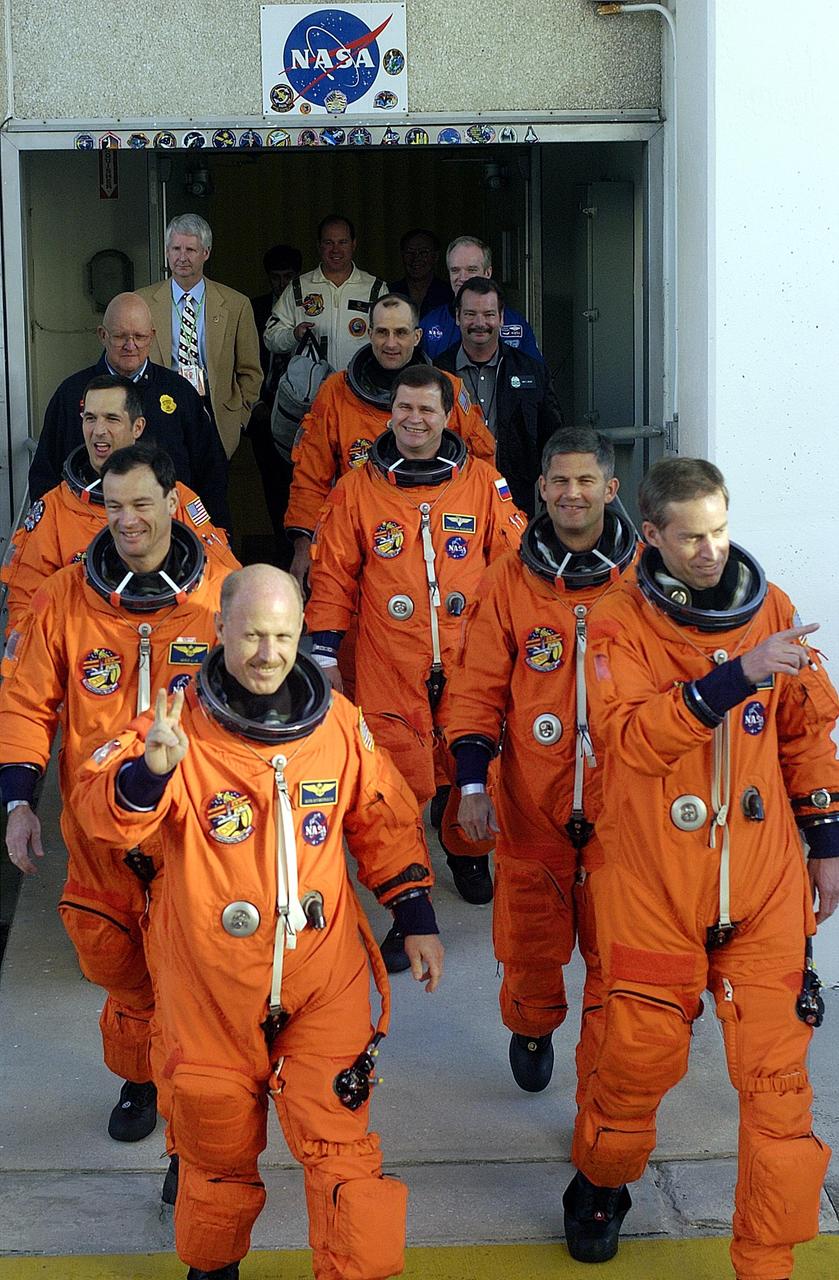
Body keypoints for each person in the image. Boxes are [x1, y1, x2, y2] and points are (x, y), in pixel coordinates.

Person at [72, 564, 444, 1280]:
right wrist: (150, 773)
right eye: (251, 636)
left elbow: (384, 819)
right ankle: (213, 1268)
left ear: (301, 635)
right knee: (215, 1155)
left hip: (320, 979)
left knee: (344, 1157)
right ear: (219, 631)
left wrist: (416, 913)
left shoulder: (337, 722)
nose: (268, 654)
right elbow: (99, 814)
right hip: (210, 985)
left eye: (282, 636)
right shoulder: (172, 726)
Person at [562, 457, 839, 1278]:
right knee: (633, 1067)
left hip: (759, 887)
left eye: (719, 531)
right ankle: (602, 1183)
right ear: (650, 536)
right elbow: (632, 740)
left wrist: (825, 845)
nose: (712, 551)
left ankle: (765, 1263)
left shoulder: (770, 610)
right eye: (691, 538)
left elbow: (806, 734)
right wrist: (736, 675)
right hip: (652, 890)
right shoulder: (615, 621)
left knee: (780, 1091)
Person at [0, 444, 235, 1145]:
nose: (127, 520)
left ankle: (190, 1138)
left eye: (141, 503)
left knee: (195, 980)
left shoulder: (220, 594)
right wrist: (17, 801)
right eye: (114, 506)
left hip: (190, 832)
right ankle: (139, 1077)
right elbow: (25, 702)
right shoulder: (65, 597)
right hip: (100, 831)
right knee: (115, 963)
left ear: (171, 502)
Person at [306, 364, 527, 942]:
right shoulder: (357, 487)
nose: (414, 419)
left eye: (427, 409)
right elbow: (332, 576)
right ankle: (410, 910)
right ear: (391, 412)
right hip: (389, 661)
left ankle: (465, 850)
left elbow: (513, 568)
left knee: (475, 766)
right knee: (394, 789)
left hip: (466, 660)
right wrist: (325, 652)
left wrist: (521, 647)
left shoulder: (482, 482)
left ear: (448, 415)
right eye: (404, 408)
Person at [447, 428, 636, 1097]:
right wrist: (472, 783)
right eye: (558, 481)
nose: (571, 493)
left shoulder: (647, 579)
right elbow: (474, 689)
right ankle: (530, 1026)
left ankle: (610, 1052)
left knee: (621, 943)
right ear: (541, 490)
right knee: (530, 932)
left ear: (610, 490)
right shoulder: (507, 579)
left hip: (625, 802)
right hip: (533, 796)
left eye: (585, 481)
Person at [284, 292, 494, 593]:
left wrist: (478, 541)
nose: (391, 343)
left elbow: (482, 468)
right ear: (369, 334)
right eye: (382, 332)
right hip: (358, 540)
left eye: (401, 333)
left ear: (418, 336)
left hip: (435, 540)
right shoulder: (336, 394)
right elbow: (309, 475)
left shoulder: (448, 390)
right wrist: (303, 545)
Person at [3, 376, 238, 634]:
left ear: (137, 427)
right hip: (86, 657)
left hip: (168, 645)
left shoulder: (175, 498)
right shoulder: (55, 510)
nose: (99, 430)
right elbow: (26, 615)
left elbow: (225, 582)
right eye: (90, 418)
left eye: (111, 419)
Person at [29, 292, 230, 528]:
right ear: (102, 335)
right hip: (84, 534)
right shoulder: (71, 394)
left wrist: (213, 535)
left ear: (152, 336)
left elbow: (211, 473)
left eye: (140, 336)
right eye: (120, 336)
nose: (130, 345)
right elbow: (44, 476)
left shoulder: (180, 393)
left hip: (171, 533)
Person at [138, 214, 262, 458]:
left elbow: (251, 371)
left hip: (214, 414)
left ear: (206, 252)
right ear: (166, 251)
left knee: (212, 492)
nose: (182, 257)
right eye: (176, 248)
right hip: (159, 412)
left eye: (190, 249)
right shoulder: (142, 302)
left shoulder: (236, 304)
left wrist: (240, 418)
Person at [436, 277, 563, 514]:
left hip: (516, 497)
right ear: (457, 317)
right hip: (450, 494)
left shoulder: (531, 371)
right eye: (471, 314)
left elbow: (553, 438)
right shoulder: (437, 372)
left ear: (502, 318)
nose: (480, 323)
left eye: (489, 314)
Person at [264, 214, 386, 372]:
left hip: (359, 386)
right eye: (329, 242)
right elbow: (270, 337)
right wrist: (293, 335)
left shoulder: (375, 288)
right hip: (313, 389)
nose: (336, 249)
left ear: (353, 244)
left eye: (343, 242)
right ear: (319, 245)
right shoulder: (298, 287)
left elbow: (391, 339)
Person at [246, 244, 304, 568]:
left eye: (288, 277)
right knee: (274, 489)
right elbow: (243, 362)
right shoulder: (254, 309)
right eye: (276, 278)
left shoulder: (311, 308)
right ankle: (283, 558)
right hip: (265, 413)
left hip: (305, 417)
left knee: (305, 488)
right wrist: (254, 405)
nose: (282, 284)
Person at [420, 235, 542, 361]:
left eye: (471, 270)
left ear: (487, 273)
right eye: (455, 270)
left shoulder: (515, 323)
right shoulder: (430, 323)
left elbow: (536, 375)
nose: (462, 278)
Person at [389, 228, 452, 319]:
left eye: (423, 252)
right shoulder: (391, 293)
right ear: (402, 255)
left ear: (435, 256)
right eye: (410, 252)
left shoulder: (449, 295)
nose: (416, 258)